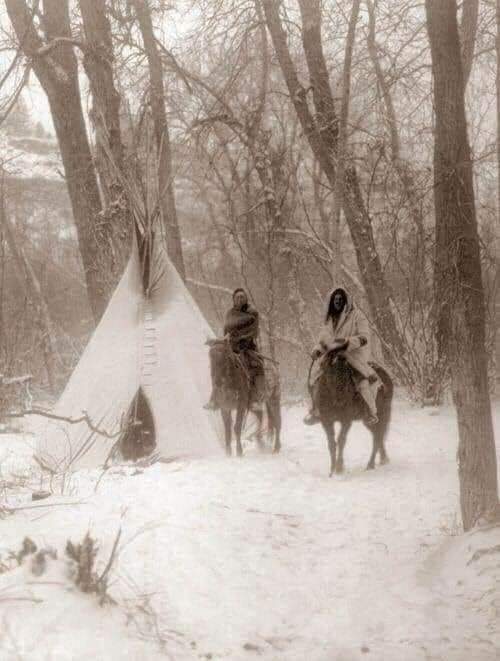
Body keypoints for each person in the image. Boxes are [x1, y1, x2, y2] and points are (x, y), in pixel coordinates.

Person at [304, 287, 381, 426]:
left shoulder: (357, 316)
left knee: (363, 382)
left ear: (346, 301)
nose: (337, 302)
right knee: (315, 380)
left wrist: (346, 343)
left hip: (352, 357)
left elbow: (364, 337)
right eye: (335, 300)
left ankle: (370, 412)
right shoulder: (329, 320)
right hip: (330, 357)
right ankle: (315, 411)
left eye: (340, 299)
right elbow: (323, 341)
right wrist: (317, 350)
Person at [204, 288, 265, 412]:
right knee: (217, 361)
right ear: (233, 300)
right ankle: (215, 397)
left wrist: (241, 340)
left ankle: (255, 399)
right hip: (231, 347)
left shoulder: (252, 313)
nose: (240, 299)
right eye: (237, 297)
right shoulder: (230, 314)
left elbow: (253, 331)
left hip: (247, 346)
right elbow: (227, 333)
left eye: (242, 297)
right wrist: (218, 341)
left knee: (256, 365)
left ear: (246, 299)